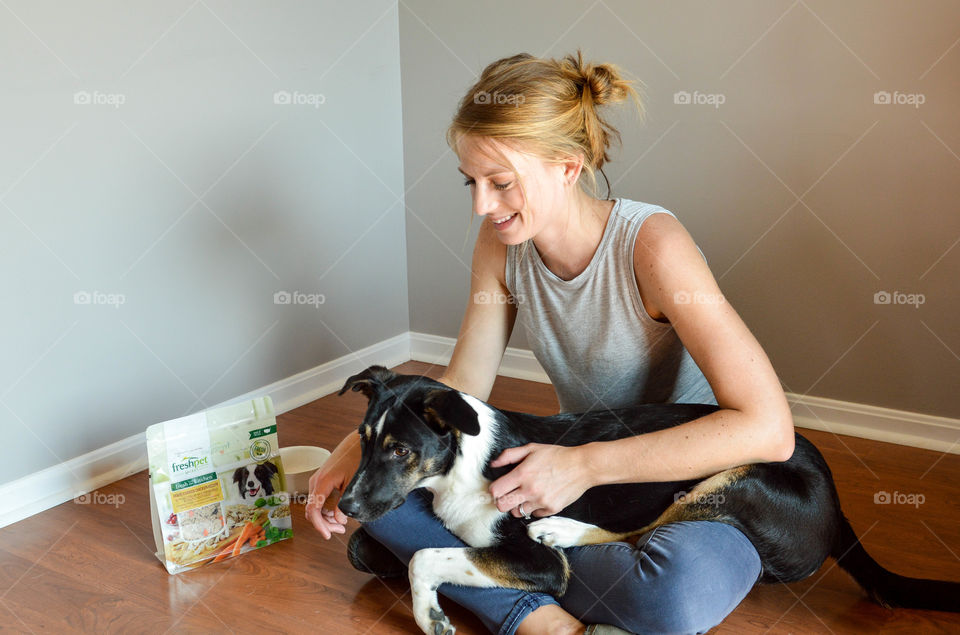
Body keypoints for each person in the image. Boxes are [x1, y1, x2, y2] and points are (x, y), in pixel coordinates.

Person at [306, 51, 795, 635]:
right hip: (570, 480)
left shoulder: (654, 248)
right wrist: (351, 450)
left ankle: (489, 569)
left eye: (501, 183)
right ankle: (540, 614)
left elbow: (769, 429)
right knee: (375, 497)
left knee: (671, 596)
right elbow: (460, 391)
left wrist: (584, 466)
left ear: (568, 166)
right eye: (472, 182)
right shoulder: (500, 246)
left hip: (678, 479)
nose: (481, 206)